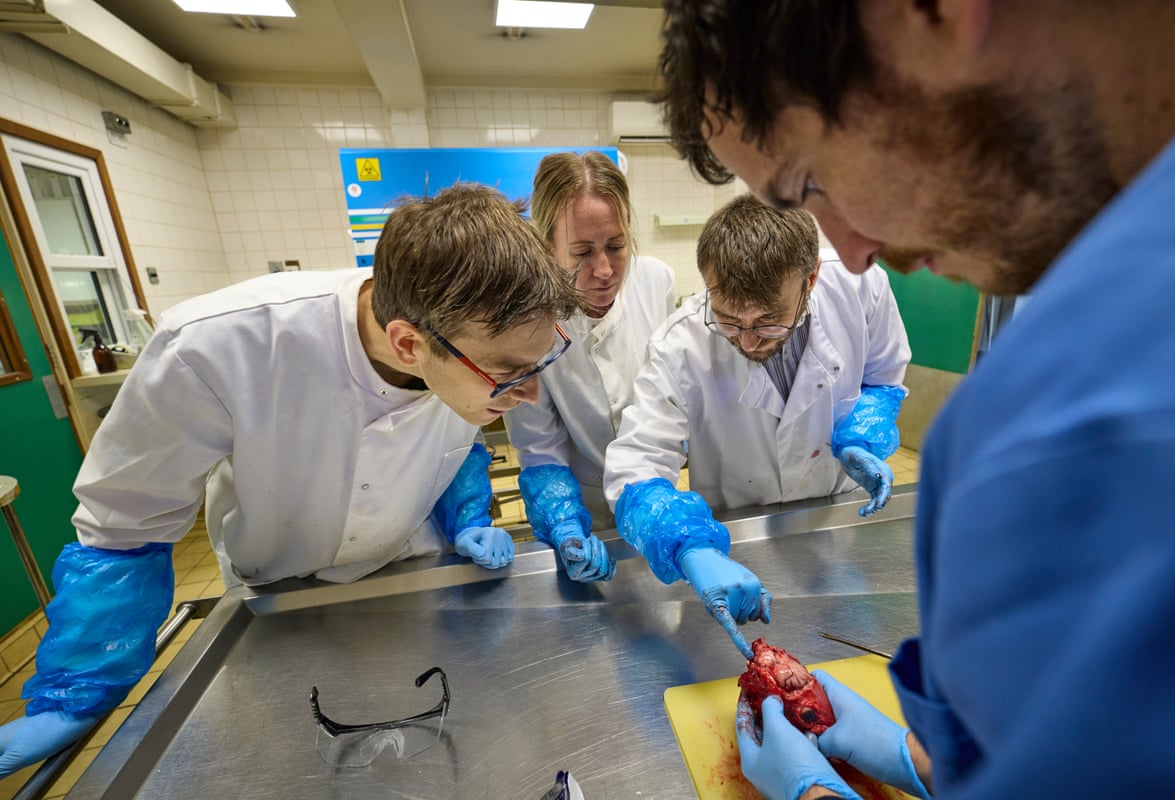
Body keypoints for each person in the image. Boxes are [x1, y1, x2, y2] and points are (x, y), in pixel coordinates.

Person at [656, 1, 1175, 798]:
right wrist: (920, 762)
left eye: (811, 181)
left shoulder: (1056, 436)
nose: (851, 248)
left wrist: (814, 797)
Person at [0, 183, 579, 777]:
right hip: (277, 596)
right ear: (409, 344)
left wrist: (467, 520)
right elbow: (126, 526)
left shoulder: (463, 346)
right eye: (510, 374)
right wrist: (79, 687)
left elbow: (456, 450)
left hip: (410, 577)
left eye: (539, 363)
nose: (530, 393)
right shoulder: (220, 347)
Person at [604, 194, 910, 658]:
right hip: (737, 547)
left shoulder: (861, 287)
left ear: (810, 280)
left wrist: (862, 432)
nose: (747, 340)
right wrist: (691, 548)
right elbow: (636, 465)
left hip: (834, 524)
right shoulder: (678, 346)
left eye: (769, 322)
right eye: (728, 319)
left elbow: (883, 376)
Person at [504, 151, 676, 583]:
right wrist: (565, 524)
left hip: (659, 497)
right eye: (581, 252)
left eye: (616, 246)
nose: (604, 270)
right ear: (547, 246)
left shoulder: (656, 282)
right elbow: (539, 443)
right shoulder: (521, 318)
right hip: (584, 511)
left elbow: (669, 398)